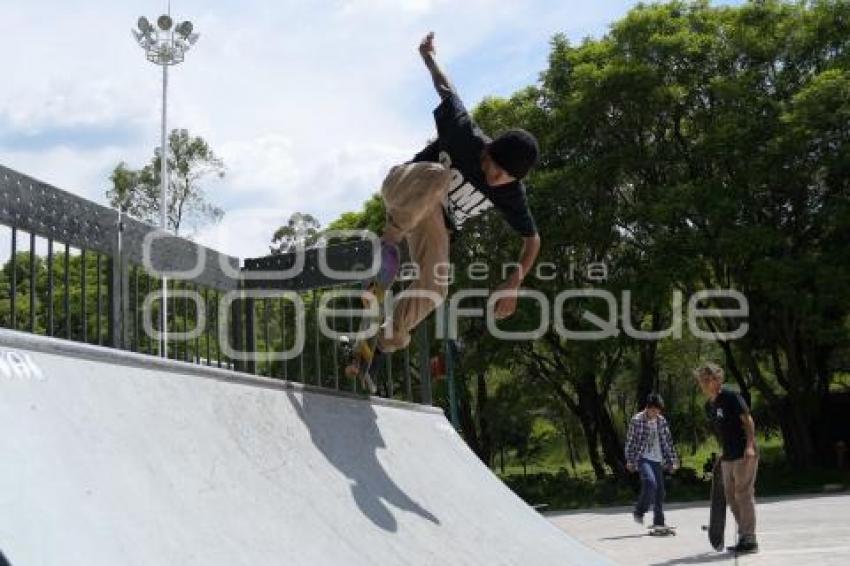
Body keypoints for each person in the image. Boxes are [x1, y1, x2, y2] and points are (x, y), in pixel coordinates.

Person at [357, 32, 541, 375]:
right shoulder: (464, 133)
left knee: (436, 288)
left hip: (434, 222)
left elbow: (533, 240)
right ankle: (391, 239)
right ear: (487, 151)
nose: (495, 179)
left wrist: (515, 281)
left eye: (505, 178)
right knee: (439, 176)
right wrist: (428, 56)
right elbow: (446, 89)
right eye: (494, 168)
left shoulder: (512, 194)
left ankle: (382, 343)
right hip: (405, 187)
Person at [695, 362, 759, 555]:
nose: (705, 384)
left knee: (743, 494)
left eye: (709, 379)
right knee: (731, 497)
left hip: (743, 453)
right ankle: (744, 536)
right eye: (702, 381)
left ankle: (750, 539)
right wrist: (722, 453)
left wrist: (749, 446)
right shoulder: (710, 406)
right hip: (728, 455)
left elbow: (748, 420)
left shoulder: (731, 396)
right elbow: (722, 431)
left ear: (718, 379)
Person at [625, 393, 679, 529]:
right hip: (642, 458)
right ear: (647, 408)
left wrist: (672, 460)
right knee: (650, 483)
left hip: (658, 459)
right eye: (653, 410)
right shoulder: (637, 420)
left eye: (658, 410)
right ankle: (639, 511)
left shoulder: (661, 421)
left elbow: (667, 442)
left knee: (660, 491)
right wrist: (630, 460)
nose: (656, 413)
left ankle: (659, 521)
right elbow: (630, 442)